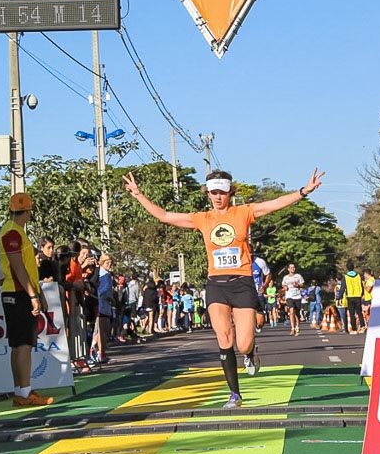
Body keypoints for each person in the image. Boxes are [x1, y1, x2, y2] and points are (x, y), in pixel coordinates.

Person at [123, 167, 323, 409]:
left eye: (222, 192)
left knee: (243, 343)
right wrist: (138, 194)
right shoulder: (202, 218)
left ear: (230, 193)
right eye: (213, 192)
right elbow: (165, 215)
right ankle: (235, 395)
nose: (218, 197)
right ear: (207, 193)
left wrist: (304, 191)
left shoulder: (244, 212)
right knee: (224, 337)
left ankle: (250, 354)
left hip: (242, 284)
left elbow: (275, 203)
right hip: (216, 284)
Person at [0, 192, 55, 407]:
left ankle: (22, 390)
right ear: (28, 212)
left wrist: (38, 293)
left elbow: (26, 268)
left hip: (20, 291)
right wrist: (33, 295)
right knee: (23, 345)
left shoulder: (15, 232)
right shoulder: (12, 232)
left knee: (20, 344)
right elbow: (18, 267)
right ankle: (24, 392)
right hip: (17, 293)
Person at [94, 254, 116, 363]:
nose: (109, 265)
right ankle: (100, 353)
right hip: (101, 305)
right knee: (102, 331)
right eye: (107, 262)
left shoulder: (106, 274)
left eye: (110, 263)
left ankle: (100, 352)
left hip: (106, 306)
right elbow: (102, 291)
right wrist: (110, 297)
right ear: (102, 262)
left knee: (104, 331)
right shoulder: (102, 275)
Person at [340, 261, 365, 334]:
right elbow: (361, 285)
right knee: (359, 312)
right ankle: (362, 326)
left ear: (347, 268)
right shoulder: (358, 276)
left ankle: (354, 329)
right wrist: (362, 293)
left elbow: (342, 288)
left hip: (350, 296)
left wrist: (339, 297)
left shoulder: (345, 277)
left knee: (352, 313)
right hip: (358, 296)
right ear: (353, 267)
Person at [281, 262, 304, 336]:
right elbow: (283, 285)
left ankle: (297, 327)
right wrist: (285, 287)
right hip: (289, 296)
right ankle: (292, 328)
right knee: (291, 311)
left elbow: (302, 284)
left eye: (293, 267)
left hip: (297, 296)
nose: (292, 269)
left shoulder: (298, 276)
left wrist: (297, 285)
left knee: (297, 313)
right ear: (288, 269)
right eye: (291, 267)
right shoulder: (285, 277)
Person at [251, 255, 272, 332]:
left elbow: (268, 274)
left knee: (260, 321)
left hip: (258, 293)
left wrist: (264, 285)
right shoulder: (239, 261)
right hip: (244, 292)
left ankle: (258, 325)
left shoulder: (260, 262)